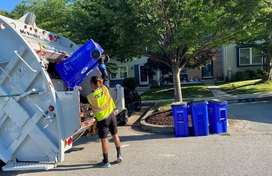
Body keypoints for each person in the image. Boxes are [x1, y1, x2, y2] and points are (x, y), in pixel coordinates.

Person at [80, 76, 122, 168]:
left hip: (103, 119)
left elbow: (82, 99)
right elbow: (106, 78)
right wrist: (102, 65)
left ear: (92, 84)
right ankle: (119, 155)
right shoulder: (105, 88)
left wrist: (77, 90)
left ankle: (106, 161)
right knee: (115, 135)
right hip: (112, 115)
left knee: (104, 140)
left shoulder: (91, 96)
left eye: (90, 83)